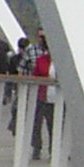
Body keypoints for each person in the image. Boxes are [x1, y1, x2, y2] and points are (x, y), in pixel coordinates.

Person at [29, 31, 55, 159]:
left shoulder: (61, 63)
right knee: (37, 123)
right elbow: (35, 76)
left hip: (55, 98)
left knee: (53, 125)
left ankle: (53, 149)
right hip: (43, 96)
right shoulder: (41, 61)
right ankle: (36, 147)